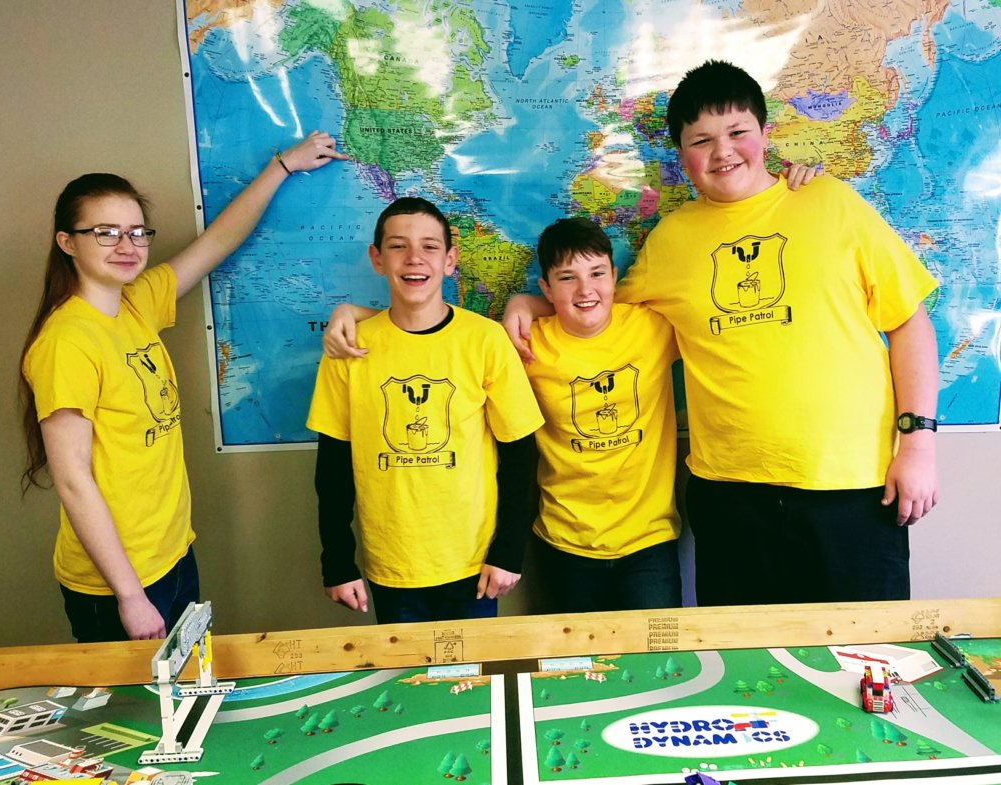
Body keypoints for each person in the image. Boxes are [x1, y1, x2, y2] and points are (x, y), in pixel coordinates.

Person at [504, 60, 940, 607]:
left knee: (863, 651)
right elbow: (601, 310)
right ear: (681, 154)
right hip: (730, 498)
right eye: (701, 140)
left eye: (737, 132)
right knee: (740, 656)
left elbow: (908, 322)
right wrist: (530, 301)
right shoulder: (672, 240)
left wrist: (918, 445)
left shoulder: (831, 202)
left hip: (852, 488)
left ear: (765, 134)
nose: (723, 152)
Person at [20, 131, 348, 642]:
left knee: (189, 687)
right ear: (68, 242)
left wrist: (283, 167)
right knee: (142, 698)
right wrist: (130, 596)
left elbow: (217, 243)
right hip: (118, 582)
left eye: (137, 232)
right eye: (105, 233)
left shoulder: (136, 303)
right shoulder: (67, 341)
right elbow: (73, 479)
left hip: (170, 554)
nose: (127, 246)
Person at [306, 197, 543, 624]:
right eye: (398, 246)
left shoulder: (486, 341)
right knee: (403, 667)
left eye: (430, 247)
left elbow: (520, 456)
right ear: (377, 259)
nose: (414, 258)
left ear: (450, 260)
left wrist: (508, 552)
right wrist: (337, 562)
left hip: (474, 563)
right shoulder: (349, 349)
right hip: (392, 562)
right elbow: (333, 468)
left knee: (475, 668)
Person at [525, 217, 681, 612]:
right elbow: (450, 342)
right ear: (546, 288)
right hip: (565, 542)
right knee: (574, 653)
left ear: (614, 275)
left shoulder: (654, 326)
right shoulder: (526, 345)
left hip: (649, 542)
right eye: (567, 278)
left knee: (660, 652)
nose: (585, 290)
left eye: (596, 273)